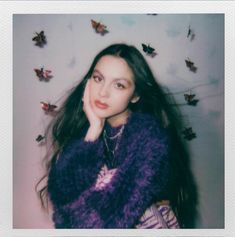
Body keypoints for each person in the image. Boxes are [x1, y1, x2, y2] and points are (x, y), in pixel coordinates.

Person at [36, 43, 198, 229]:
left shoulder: (150, 139)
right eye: (98, 79)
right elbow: (62, 194)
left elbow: (100, 222)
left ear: (135, 95)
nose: (103, 92)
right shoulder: (88, 129)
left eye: (119, 85)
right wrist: (93, 131)